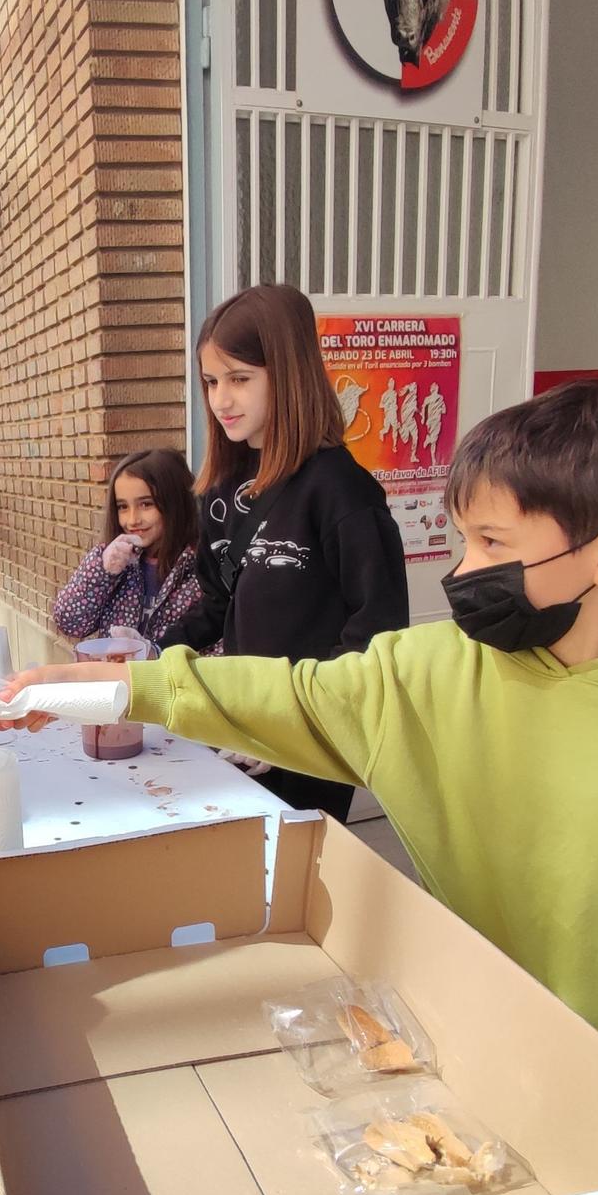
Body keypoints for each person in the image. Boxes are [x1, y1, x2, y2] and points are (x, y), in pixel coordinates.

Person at [4, 379, 598, 1111]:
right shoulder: (428, 672)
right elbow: (284, 690)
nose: (459, 571)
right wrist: (121, 687)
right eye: (459, 538)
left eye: (493, 544)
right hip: (472, 1049)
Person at [157, 283, 408, 821]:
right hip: (235, 729)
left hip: (306, 748)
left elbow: (377, 639)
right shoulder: (224, 487)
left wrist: (289, 729)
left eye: (240, 379)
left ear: (289, 374)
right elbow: (216, 607)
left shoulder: (342, 491)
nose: (221, 399)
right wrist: (144, 654)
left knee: (288, 890)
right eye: (211, 382)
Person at [52, 448, 205, 647]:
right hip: (116, 675)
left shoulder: (200, 568)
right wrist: (102, 572)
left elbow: (213, 648)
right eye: (123, 507)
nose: (132, 520)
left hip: (166, 677)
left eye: (146, 504)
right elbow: (69, 622)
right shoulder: (113, 560)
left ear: (175, 502)